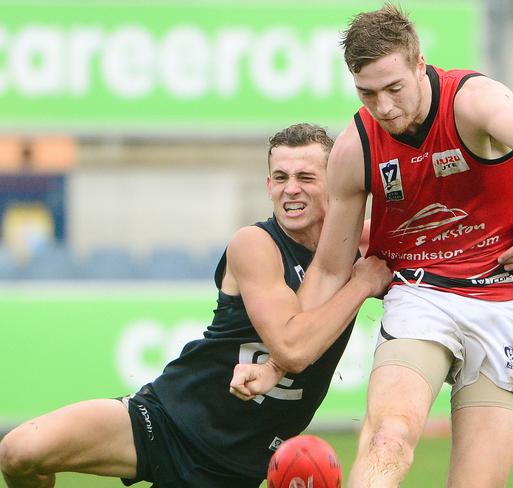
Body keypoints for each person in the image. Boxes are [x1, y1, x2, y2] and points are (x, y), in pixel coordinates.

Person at [233, 4, 513, 488]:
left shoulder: (472, 100)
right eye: (368, 94)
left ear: (419, 64)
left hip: (503, 303)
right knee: (389, 437)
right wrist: (277, 364)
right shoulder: (355, 147)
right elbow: (328, 268)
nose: (384, 107)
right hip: (420, 295)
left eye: (394, 89)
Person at [0, 123, 393, 488]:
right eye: (280, 177)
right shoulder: (254, 244)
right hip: (167, 420)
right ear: (268, 184)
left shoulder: (365, 247)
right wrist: (361, 285)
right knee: (18, 451)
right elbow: (292, 349)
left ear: (335, 184)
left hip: (240, 466)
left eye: (306, 177)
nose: (291, 189)